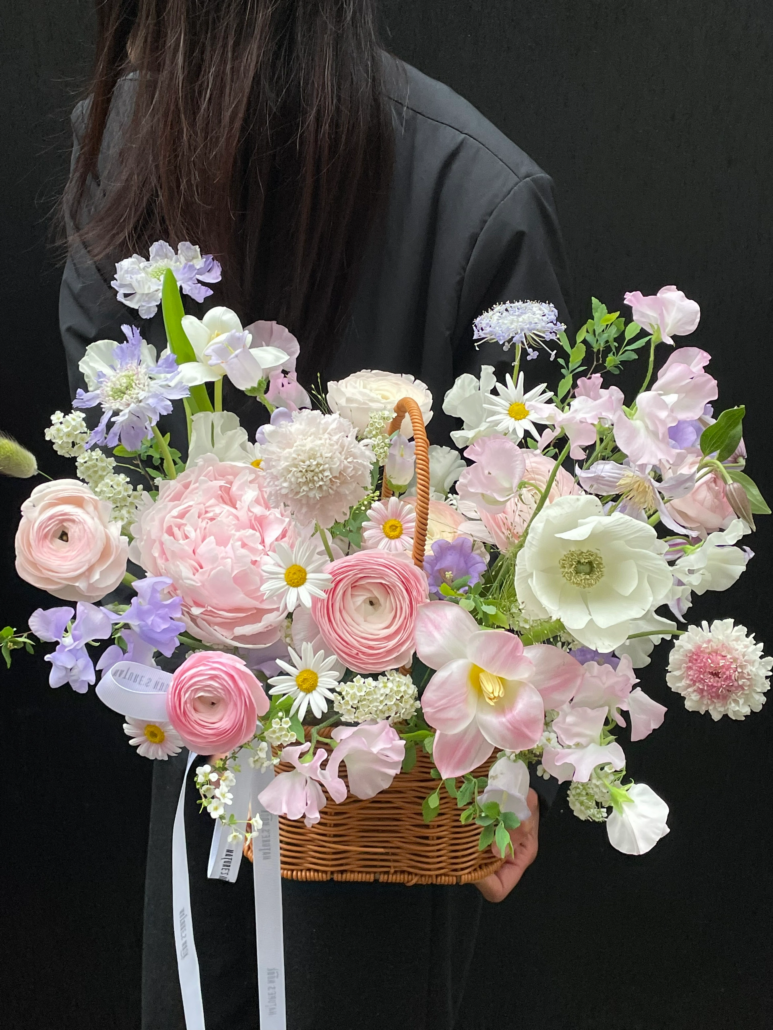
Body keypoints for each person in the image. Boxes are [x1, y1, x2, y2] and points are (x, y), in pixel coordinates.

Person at [59, 2, 570, 1028]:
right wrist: (519, 768)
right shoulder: (483, 187)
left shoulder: (126, 142)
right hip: (386, 785)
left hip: (249, 746)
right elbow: (539, 522)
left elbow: (109, 449)